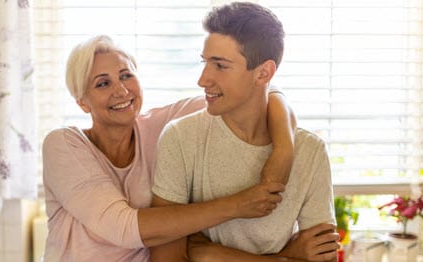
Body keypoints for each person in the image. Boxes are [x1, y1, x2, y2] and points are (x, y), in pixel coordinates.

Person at [42, 34, 298, 261]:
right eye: (102, 83)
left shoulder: (163, 127)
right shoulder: (64, 145)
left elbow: (254, 92)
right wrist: (238, 205)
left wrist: (284, 149)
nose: (121, 90)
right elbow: (123, 227)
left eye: (126, 76)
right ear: (82, 103)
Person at [151, 2, 339, 261]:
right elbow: (167, 257)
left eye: (220, 65)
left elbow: (321, 255)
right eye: (205, 62)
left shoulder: (310, 151)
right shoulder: (181, 138)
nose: (202, 79)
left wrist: (207, 253)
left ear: (263, 73)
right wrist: (284, 258)